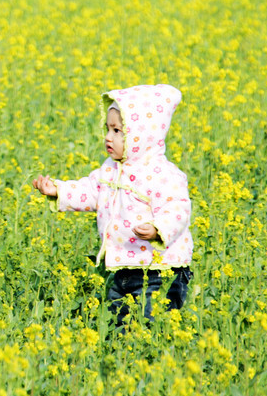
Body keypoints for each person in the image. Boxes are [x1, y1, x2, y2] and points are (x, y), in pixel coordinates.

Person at [32, 84, 193, 331]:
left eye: (118, 131)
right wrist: (59, 190)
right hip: (123, 267)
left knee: (152, 327)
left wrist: (158, 229)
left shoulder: (163, 174)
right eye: (108, 129)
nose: (108, 137)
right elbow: (91, 191)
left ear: (143, 135)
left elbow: (177, 209)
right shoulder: (111, 168)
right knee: (121, 326)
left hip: (160, 271)